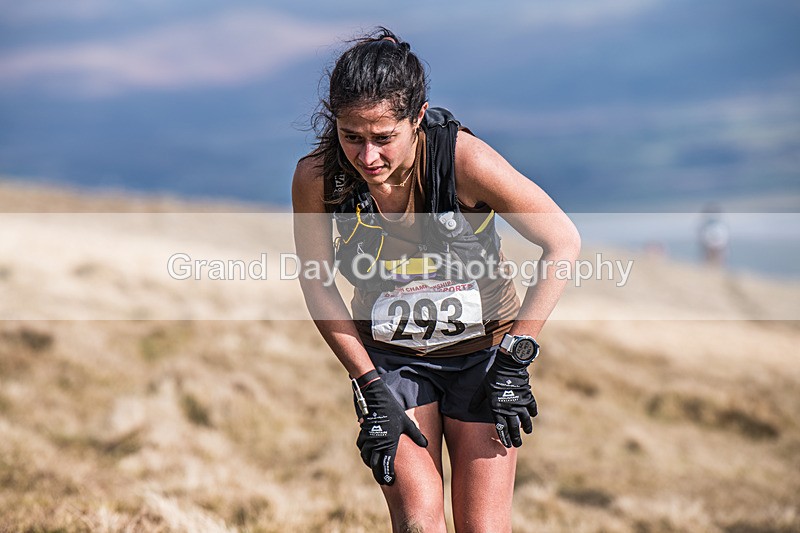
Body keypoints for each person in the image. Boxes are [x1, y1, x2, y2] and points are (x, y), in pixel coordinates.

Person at [292, 28, 580, 532]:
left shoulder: (465, 161)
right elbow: (317, 283)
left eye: (384, 138)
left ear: (418, 117)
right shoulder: (319, 178)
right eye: (351, 136)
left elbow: (563, 242)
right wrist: (368, 385)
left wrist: (517, 357)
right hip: (391, 364)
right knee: (420, 524)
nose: (367, 158)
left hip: (483, 359)